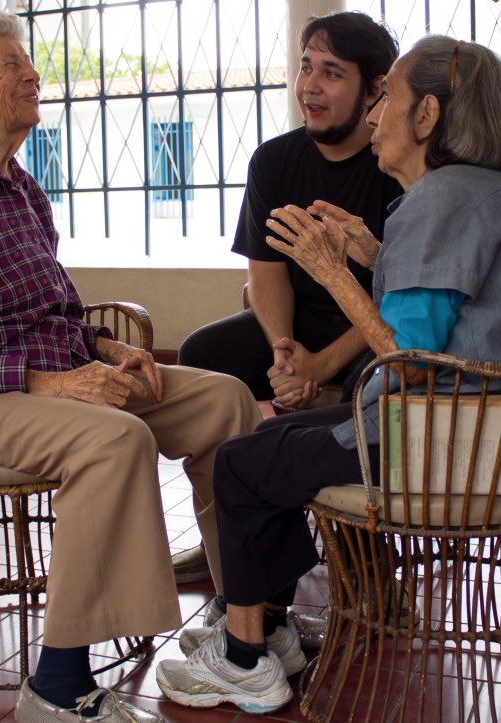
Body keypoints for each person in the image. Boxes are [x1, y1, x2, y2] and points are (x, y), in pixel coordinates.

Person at [155, 35, 501, 714]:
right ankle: (276, 631)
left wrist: (331, 272)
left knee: (240, 463)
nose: (377, 115)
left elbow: (407, 360)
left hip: (447, 445)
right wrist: (373, 250)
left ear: (428, 116)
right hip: (490, 430)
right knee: (266, 454)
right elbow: (447, 308)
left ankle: (242, 657)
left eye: (389, 97)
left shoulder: (440, 199)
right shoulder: (489, 192)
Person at [0, 7, 260, 722]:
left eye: (27, 60)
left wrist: (108, 350)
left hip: (40, 380)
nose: (32, 73)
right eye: (11, 63)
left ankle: (242, 627)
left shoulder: (19, 187)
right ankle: (57, 683)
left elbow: (55, 314)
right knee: (115, 438)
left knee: (225, 400)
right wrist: (49, 382)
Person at [171, 9, 401, 587]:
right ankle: (235, 534)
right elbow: (266, 270)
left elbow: (397, 304)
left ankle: (367, 563)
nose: (310, 87)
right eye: (305, 68)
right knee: (204, 354)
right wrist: (283, 352)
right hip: (296, 324)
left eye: (332, 72)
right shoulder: (274, 160)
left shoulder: (395, 166)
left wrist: (321, 367)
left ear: (376, 89)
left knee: (368, 383)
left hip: (374, 332)